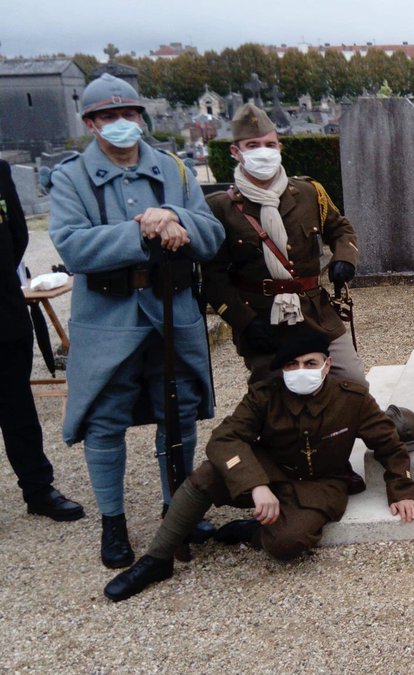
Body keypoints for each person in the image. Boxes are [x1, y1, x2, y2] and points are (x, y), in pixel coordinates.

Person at [48, 73, 226, 568]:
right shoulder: (71, 178)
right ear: (90, 123)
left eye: (130, 114)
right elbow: (73, 245)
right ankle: (113, 523)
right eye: (109, 116)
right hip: (109, 317)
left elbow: (210, 234)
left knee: (180, 413)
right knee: (104, 422)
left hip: (172, 311)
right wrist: (142, 229)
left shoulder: (173, 168)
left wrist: (172, 215)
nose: (123, 124)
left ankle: (179, 511)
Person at [103, 328, 414, 602]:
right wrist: (256, 484)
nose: (301, 370)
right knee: (208, 473)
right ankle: (157, 559)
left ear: (327, 365)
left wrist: (401, 490)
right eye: (292, 365)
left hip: (321, 483)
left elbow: (389, 445)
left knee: (287, 545)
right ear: (282, 369)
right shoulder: (265, 396)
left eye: (310, 363)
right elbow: (223, 439)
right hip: (270, 471)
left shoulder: (353, 399)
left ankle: (255, 530)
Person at [204, 104, 365, 386]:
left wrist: (344, 259)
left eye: (268, 144)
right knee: (275, 398)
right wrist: (244, 321)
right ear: (235, 152)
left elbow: (340, 228)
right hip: (261, 317)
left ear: (280, 146)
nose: (262, 151)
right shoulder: (221, 208)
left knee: (352, 382)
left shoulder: (307, 192)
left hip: (315, 310)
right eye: (252, 145)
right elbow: (214, 276)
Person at [0, 159, 85, 521]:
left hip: (3, 315)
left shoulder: (1, 171)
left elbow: (17, 235)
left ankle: (38, 490)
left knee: (18, 411)